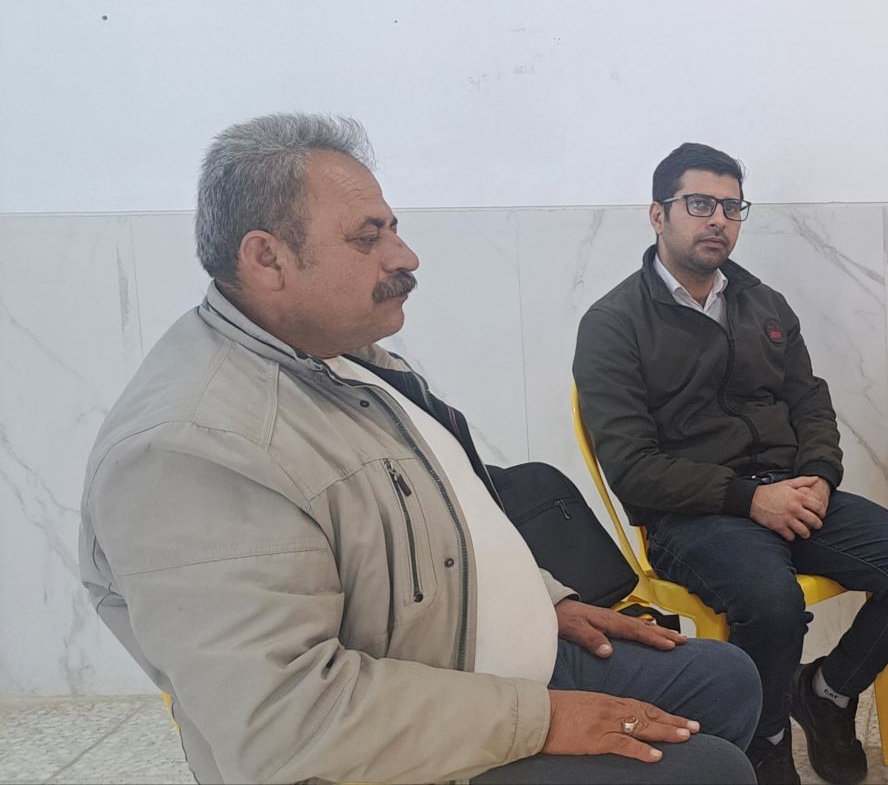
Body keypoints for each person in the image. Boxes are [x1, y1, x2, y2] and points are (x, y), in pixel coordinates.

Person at [78, 114, 761, 785]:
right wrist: (541, 720)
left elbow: (439, 515)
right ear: (267, 258)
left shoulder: (342, 358)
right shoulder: (192, 449)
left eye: (393, 228)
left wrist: (543, 602)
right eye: (368, 237)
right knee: (712, 771)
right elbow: (285, 721)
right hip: (398, 746)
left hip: (473, 663)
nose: (405, 257)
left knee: (723, 678)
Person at [573, 143, 888, 784]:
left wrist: (820, 476)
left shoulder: (763, 303)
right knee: (772, 604)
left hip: (789, 490)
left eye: (732, 207)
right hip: (692, 515)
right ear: (658, 214)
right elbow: (632, 467)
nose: (718, 220)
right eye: (700, 204)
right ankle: (766, 737)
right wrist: (748, 500)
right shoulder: (613, 323)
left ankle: (828, 693)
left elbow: (810, 401)